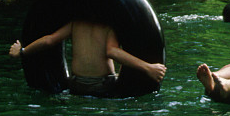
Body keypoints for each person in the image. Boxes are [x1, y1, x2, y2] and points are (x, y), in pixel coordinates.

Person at [9, 20, 167, 96]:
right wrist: (148, 67)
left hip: (76, 85)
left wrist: (22, 51)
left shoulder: (75, 24)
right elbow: (112, 52)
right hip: (103, 85)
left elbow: (49, 40)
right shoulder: (108, 26)